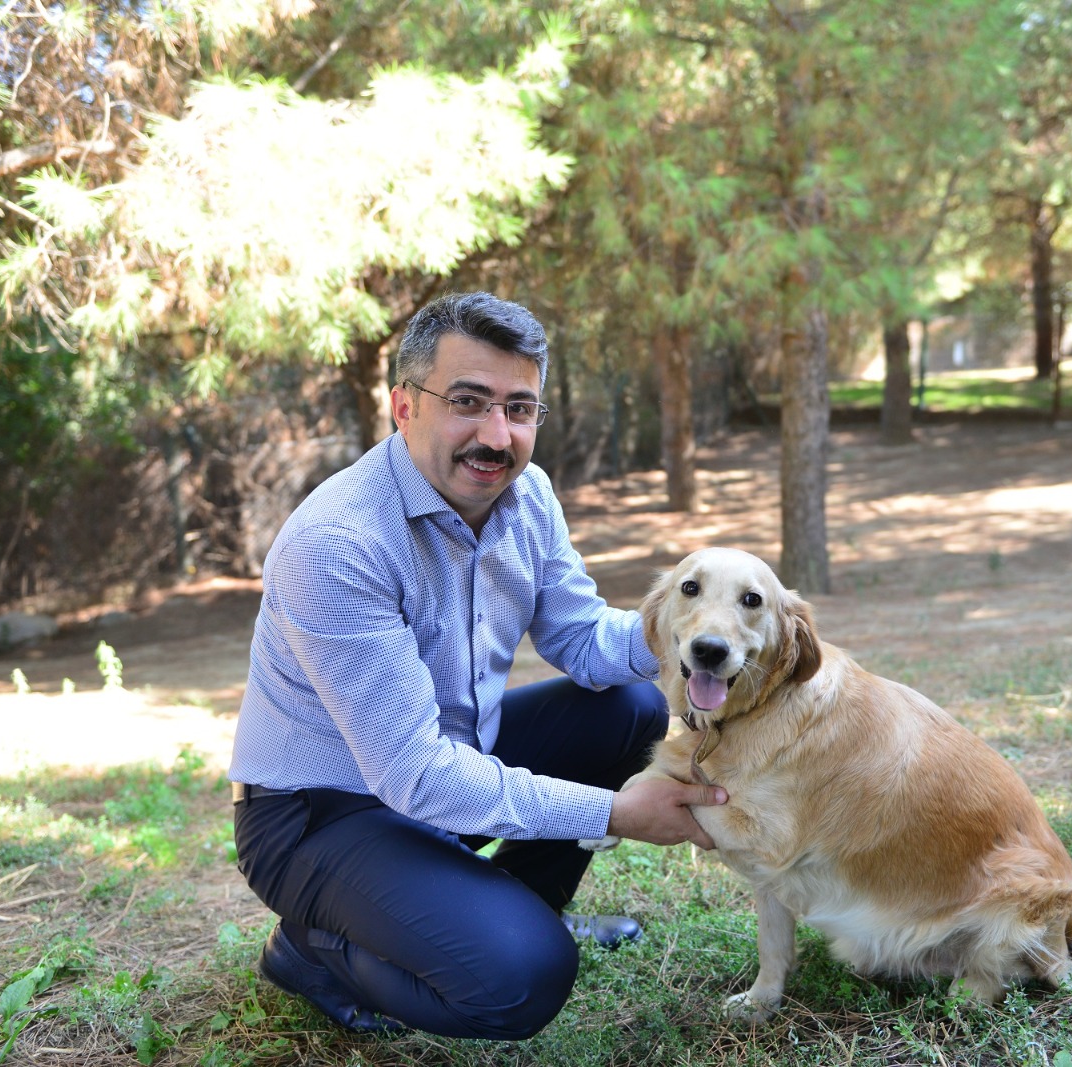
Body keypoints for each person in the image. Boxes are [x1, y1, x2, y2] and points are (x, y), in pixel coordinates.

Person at [228, 291, 726, 1040]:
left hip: (446, 761)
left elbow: (584, 638)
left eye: (519, 408)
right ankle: (312, 948)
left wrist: (696, 629)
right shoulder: (338, 542)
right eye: (469, 401)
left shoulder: (528, 497)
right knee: (523, 977)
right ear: (404, 405)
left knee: (625, 707)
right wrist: (616, 812)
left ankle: (510, 909)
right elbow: (418, 777)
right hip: (317, 815)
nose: (497, 435)